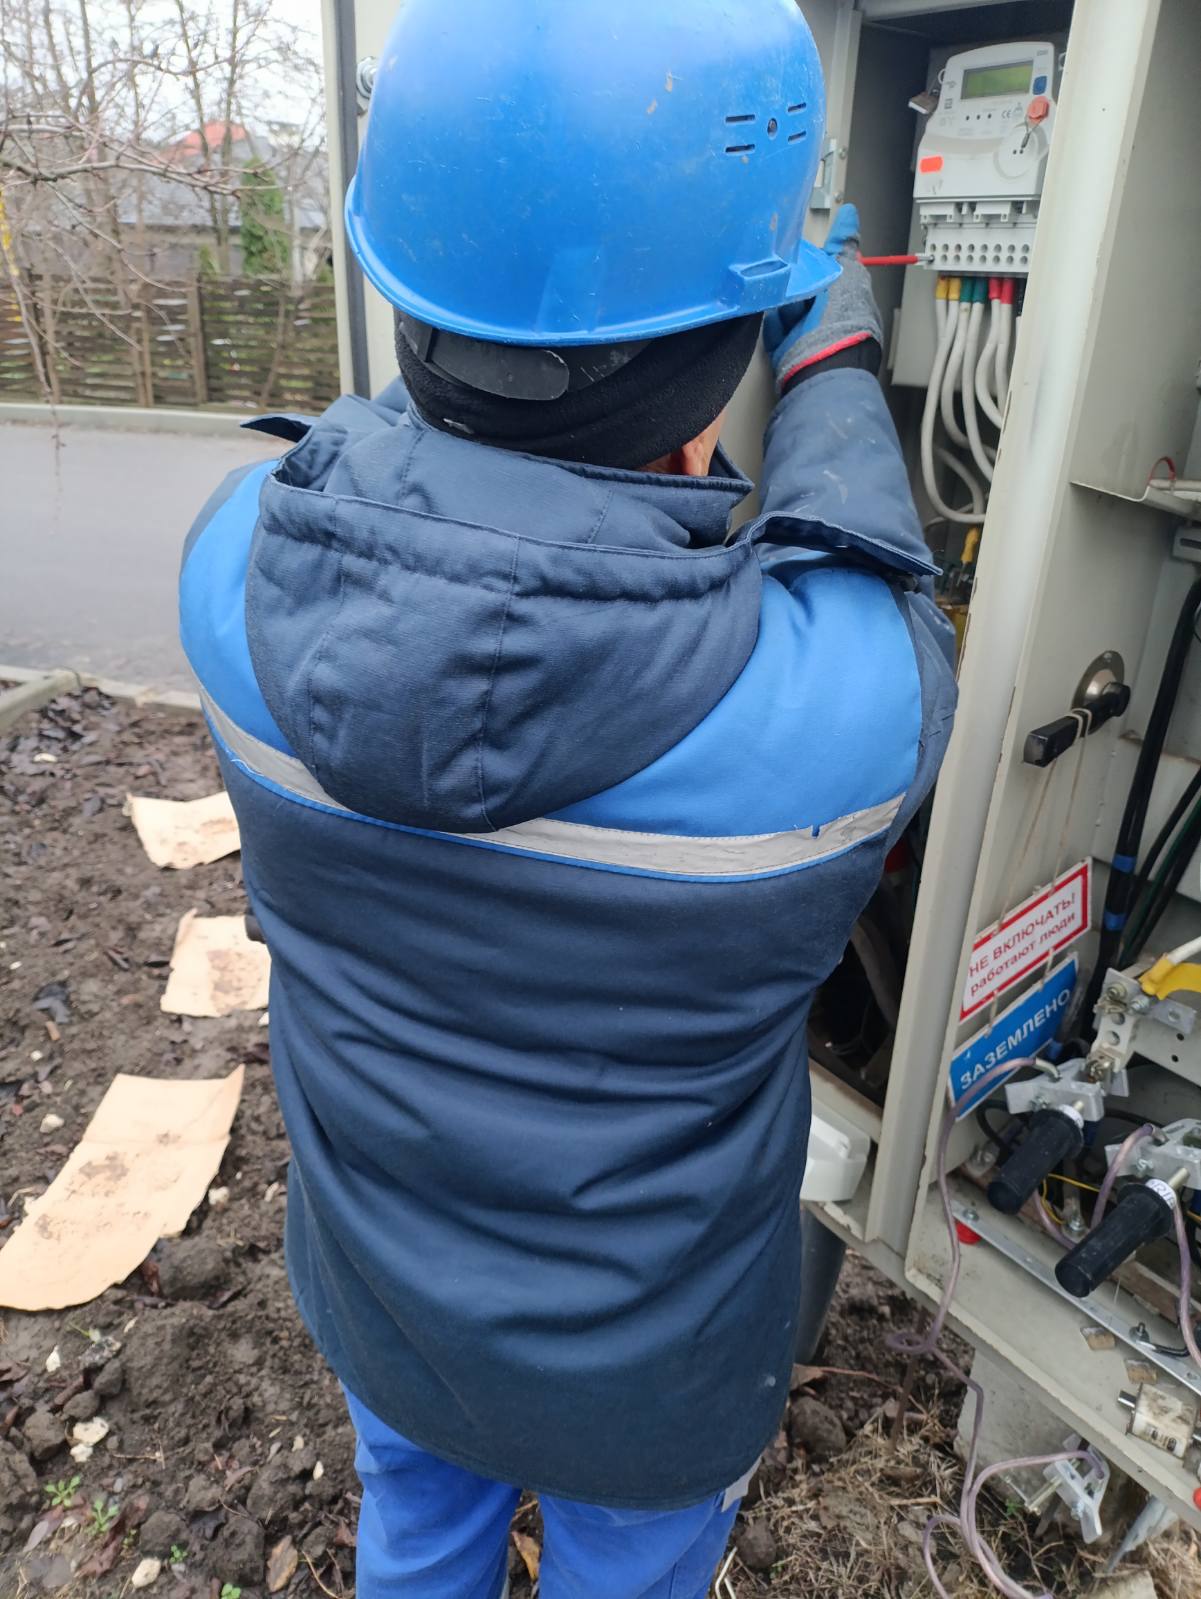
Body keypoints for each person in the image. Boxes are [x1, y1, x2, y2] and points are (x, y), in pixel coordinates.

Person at [179, 2, 956, 1594]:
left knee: (414, 1537)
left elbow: (370, 474)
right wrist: (825, 361)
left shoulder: (230, 577)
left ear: (405, 284)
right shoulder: (839, 716)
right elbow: (881, 599)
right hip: (651, 1367)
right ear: (722, 361)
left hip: (385, 1298)